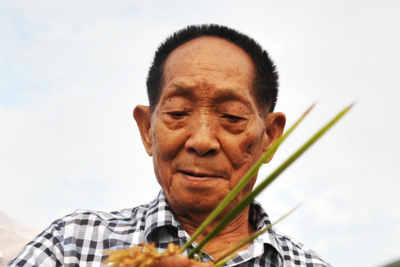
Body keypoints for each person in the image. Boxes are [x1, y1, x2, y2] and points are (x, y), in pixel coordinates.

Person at [7, 24, 331, 267]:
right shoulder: (73, 244)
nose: (202, 140)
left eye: (231, 116)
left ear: (269, 138)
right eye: (178, 112)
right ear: (147, 129)